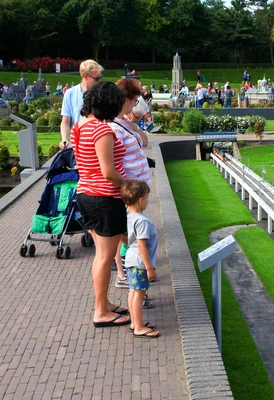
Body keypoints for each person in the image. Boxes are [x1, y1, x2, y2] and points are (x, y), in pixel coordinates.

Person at [71, 81, 129, 328]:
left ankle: (104, 305)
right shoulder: (101, 130)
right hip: (104, 198)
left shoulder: (80, 125)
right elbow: (108, 172)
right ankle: (100, 312)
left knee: (101, 256)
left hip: (86, 195)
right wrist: (130, 183)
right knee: (105, 258)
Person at [110, 79, 152, 289]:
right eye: (134, 101)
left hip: (136, 188)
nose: (135, 105)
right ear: (126, 100)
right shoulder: (113, 126)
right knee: (127, 235)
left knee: (132, 233)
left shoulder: (122, 123)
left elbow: (143, 141)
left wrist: (133, 125)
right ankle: (125, 273)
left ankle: (131, 270)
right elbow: (114, 163)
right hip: (129, 189)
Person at [121, 180, 159, 338]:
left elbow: (123, 238)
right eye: (148, 197)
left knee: (133, 292)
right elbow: (142, 246)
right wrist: (149, 267)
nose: (148, 201)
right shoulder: (142, 221)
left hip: (130, 260)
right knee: (139, 294)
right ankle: (139, 327)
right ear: (141, 200)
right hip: (139, 263)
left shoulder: (128, 217)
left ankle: (134, 322)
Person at [60, 60, 104, 149]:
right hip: (79, 143)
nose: (100, 81)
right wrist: (64, 139)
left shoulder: (103, 92)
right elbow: (65, 121)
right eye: (97, 78)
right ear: (85, 77)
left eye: (100, 77)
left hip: (99, 140)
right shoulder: (70, 93)